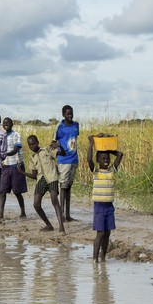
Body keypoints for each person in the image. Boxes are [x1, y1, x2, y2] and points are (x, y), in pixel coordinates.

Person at [17, 135, 66, 234]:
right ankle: (49, 225)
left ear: (38, 142)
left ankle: (61, 226)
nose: (32, 146)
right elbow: (35, 175)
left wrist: (60, 146)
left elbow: (63, 154)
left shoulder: (47, 150)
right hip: (41, 180)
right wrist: (23, 173)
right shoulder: (32, 158)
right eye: (30, 145)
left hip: (51, 178)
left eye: (33, 143)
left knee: (54, 200)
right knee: (36, 204)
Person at [86, 134, 123, 262]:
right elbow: (89, 159)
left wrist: (108, 148)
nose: (106, 160)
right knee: (100, 233)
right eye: (103, 158)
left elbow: (120, 155)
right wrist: (92, 143)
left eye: (107, 158)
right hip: (99, 207)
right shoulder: (96, 171)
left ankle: (103, 257)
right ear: (98, 160)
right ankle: (94, 258)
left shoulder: (112, 170)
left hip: (109, 207)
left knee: (107, 233)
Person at [54, 104, 81, 222]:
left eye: (71, 113)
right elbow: (53, 142)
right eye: (68, 114)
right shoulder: (60, 127)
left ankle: (68, 215)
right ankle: (61, 214)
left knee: (69, 187)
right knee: (63, 187)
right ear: (63, 115)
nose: (70, 115)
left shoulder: (76, 125)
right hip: (64, 161)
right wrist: (57, 150)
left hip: (73, 160)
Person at [0, 117, 28, 220]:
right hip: (5, 166)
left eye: (8, 123)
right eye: (4, 123)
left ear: (12, 124)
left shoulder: (16, 135)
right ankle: (0, 214)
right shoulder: (2, 135)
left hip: (16, 166)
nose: (6, 124)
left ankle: (23, 212)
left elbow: (16, 150)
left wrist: (4, 154)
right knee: (2, 191)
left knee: (17, 191)